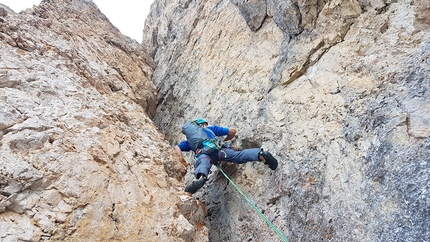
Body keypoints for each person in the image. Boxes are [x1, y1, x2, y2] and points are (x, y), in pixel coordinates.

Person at [174, 118, 278, 194]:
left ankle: (201, 177)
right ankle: (260, 155)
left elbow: (177, 147)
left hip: (204, 155)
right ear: (200, 125)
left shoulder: (189, 142)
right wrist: (223, 141)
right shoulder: (211, 129)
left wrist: (180, 159)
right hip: (220, 150)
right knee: (238, 156)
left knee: (203, 163)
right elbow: (232, 131)